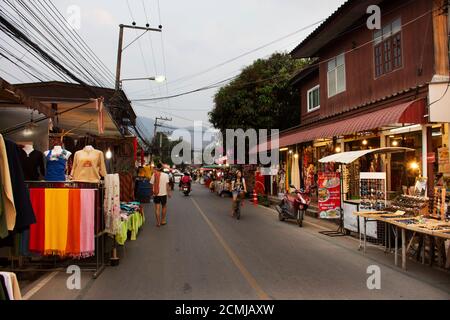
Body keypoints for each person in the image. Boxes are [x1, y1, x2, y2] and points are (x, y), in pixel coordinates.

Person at [150, 163, 171, 227]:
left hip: (156, 194)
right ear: (162, 169)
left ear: (157, 168)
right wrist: (169, 193)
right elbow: (167, 185)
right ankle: (163, 220)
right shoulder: (166, 175)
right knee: (164, 206)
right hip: (163, 194)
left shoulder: (154, 174)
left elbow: (151, 184)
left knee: (157, 208)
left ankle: (158, 222)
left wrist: (152, 191)